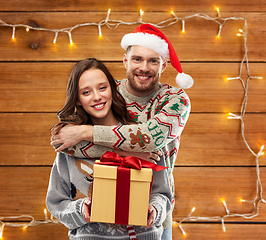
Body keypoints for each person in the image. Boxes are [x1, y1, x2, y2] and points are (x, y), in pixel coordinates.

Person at [50, 24, 192, 240]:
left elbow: (150, 139)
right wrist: (127, 154)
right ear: (125, 61)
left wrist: (85, 132)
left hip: (152, 217)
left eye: (153, 61)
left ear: (164, 64)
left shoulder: (174, 99)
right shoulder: (106, 92)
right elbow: (66, 138)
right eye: (137, 59)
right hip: (94, 228)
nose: (144, 67)